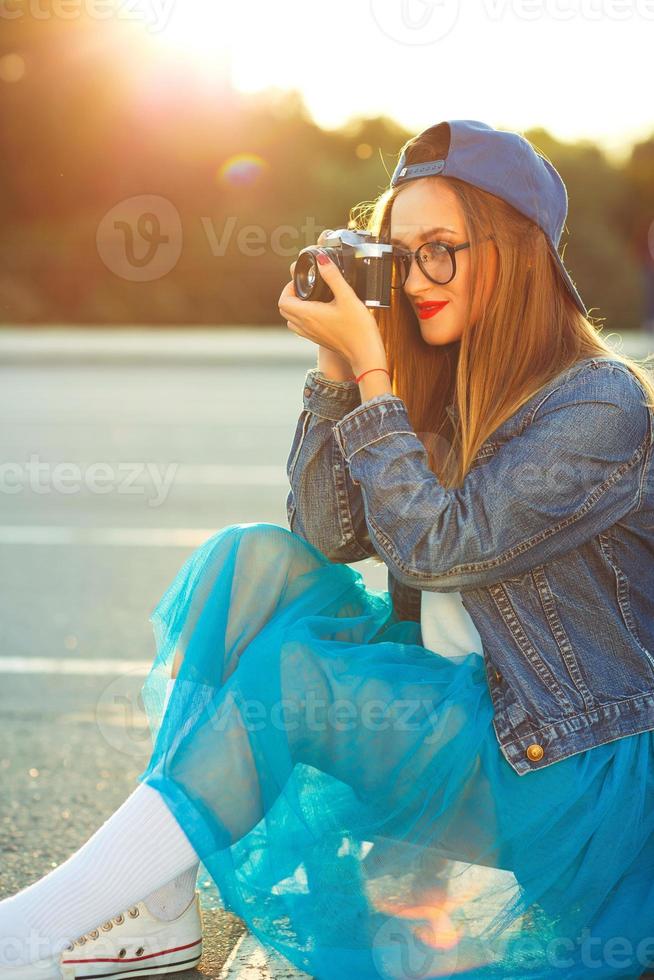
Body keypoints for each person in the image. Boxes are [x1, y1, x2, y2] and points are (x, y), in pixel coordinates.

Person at [1, 119, 654, 980]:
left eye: (440, 250)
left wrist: (374, 378)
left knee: (296, 680)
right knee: (250, 560)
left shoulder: (599, 404)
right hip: (470, 721)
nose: (415, 277)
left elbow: (442, 546)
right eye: (396, 251)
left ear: (516, 252)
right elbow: (323, 535)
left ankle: (26, 936)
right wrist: (334, 371)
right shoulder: (443, 378)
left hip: (570, 770)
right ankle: (159, 910)